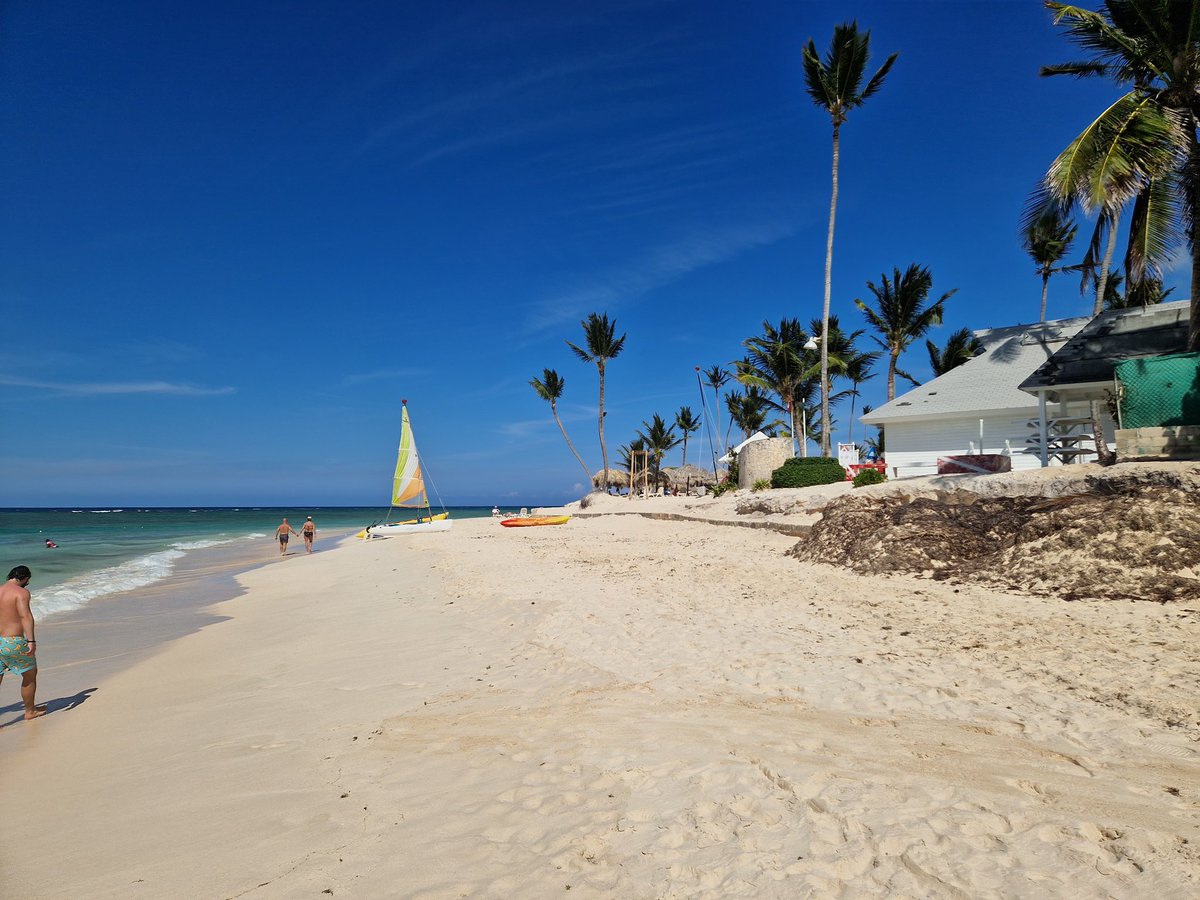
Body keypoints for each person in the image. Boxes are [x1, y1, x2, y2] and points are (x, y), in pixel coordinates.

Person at [0, 566, 45, 720]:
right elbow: (25, 616)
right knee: (30, 674)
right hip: (13, 641)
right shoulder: (21, 593)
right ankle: (30, 711)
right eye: (27, 581)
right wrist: (31, 640)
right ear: (24, 578)